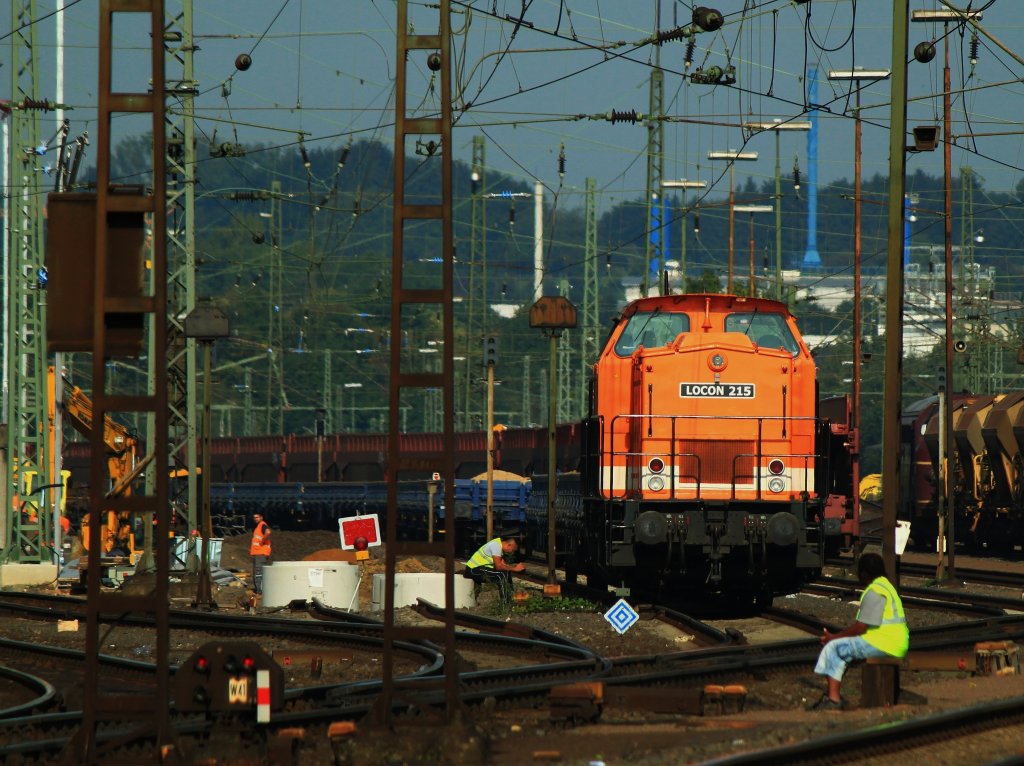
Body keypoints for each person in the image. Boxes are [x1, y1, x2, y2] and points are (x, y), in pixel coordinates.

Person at [810, 552, 909, 710]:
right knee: (841, 648)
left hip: (883, 644)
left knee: (833, 648)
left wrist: (833, 638)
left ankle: (833, 700)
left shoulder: (875, 591)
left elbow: (860, 627)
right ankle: (833, 696)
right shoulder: (886, 586)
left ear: (864, 574)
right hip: (893, 642)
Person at [249, 512, 272, 595]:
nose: (255, 519)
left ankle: (260, 591)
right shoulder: (257, 527)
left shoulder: (262, 525)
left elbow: (268, 532)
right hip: (257, 553)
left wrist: (263, 540)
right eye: (254, 517)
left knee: (259, 572)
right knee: (256, 572)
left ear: (261, 517)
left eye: (257, 517)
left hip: (261, 553)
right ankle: (258, 589)